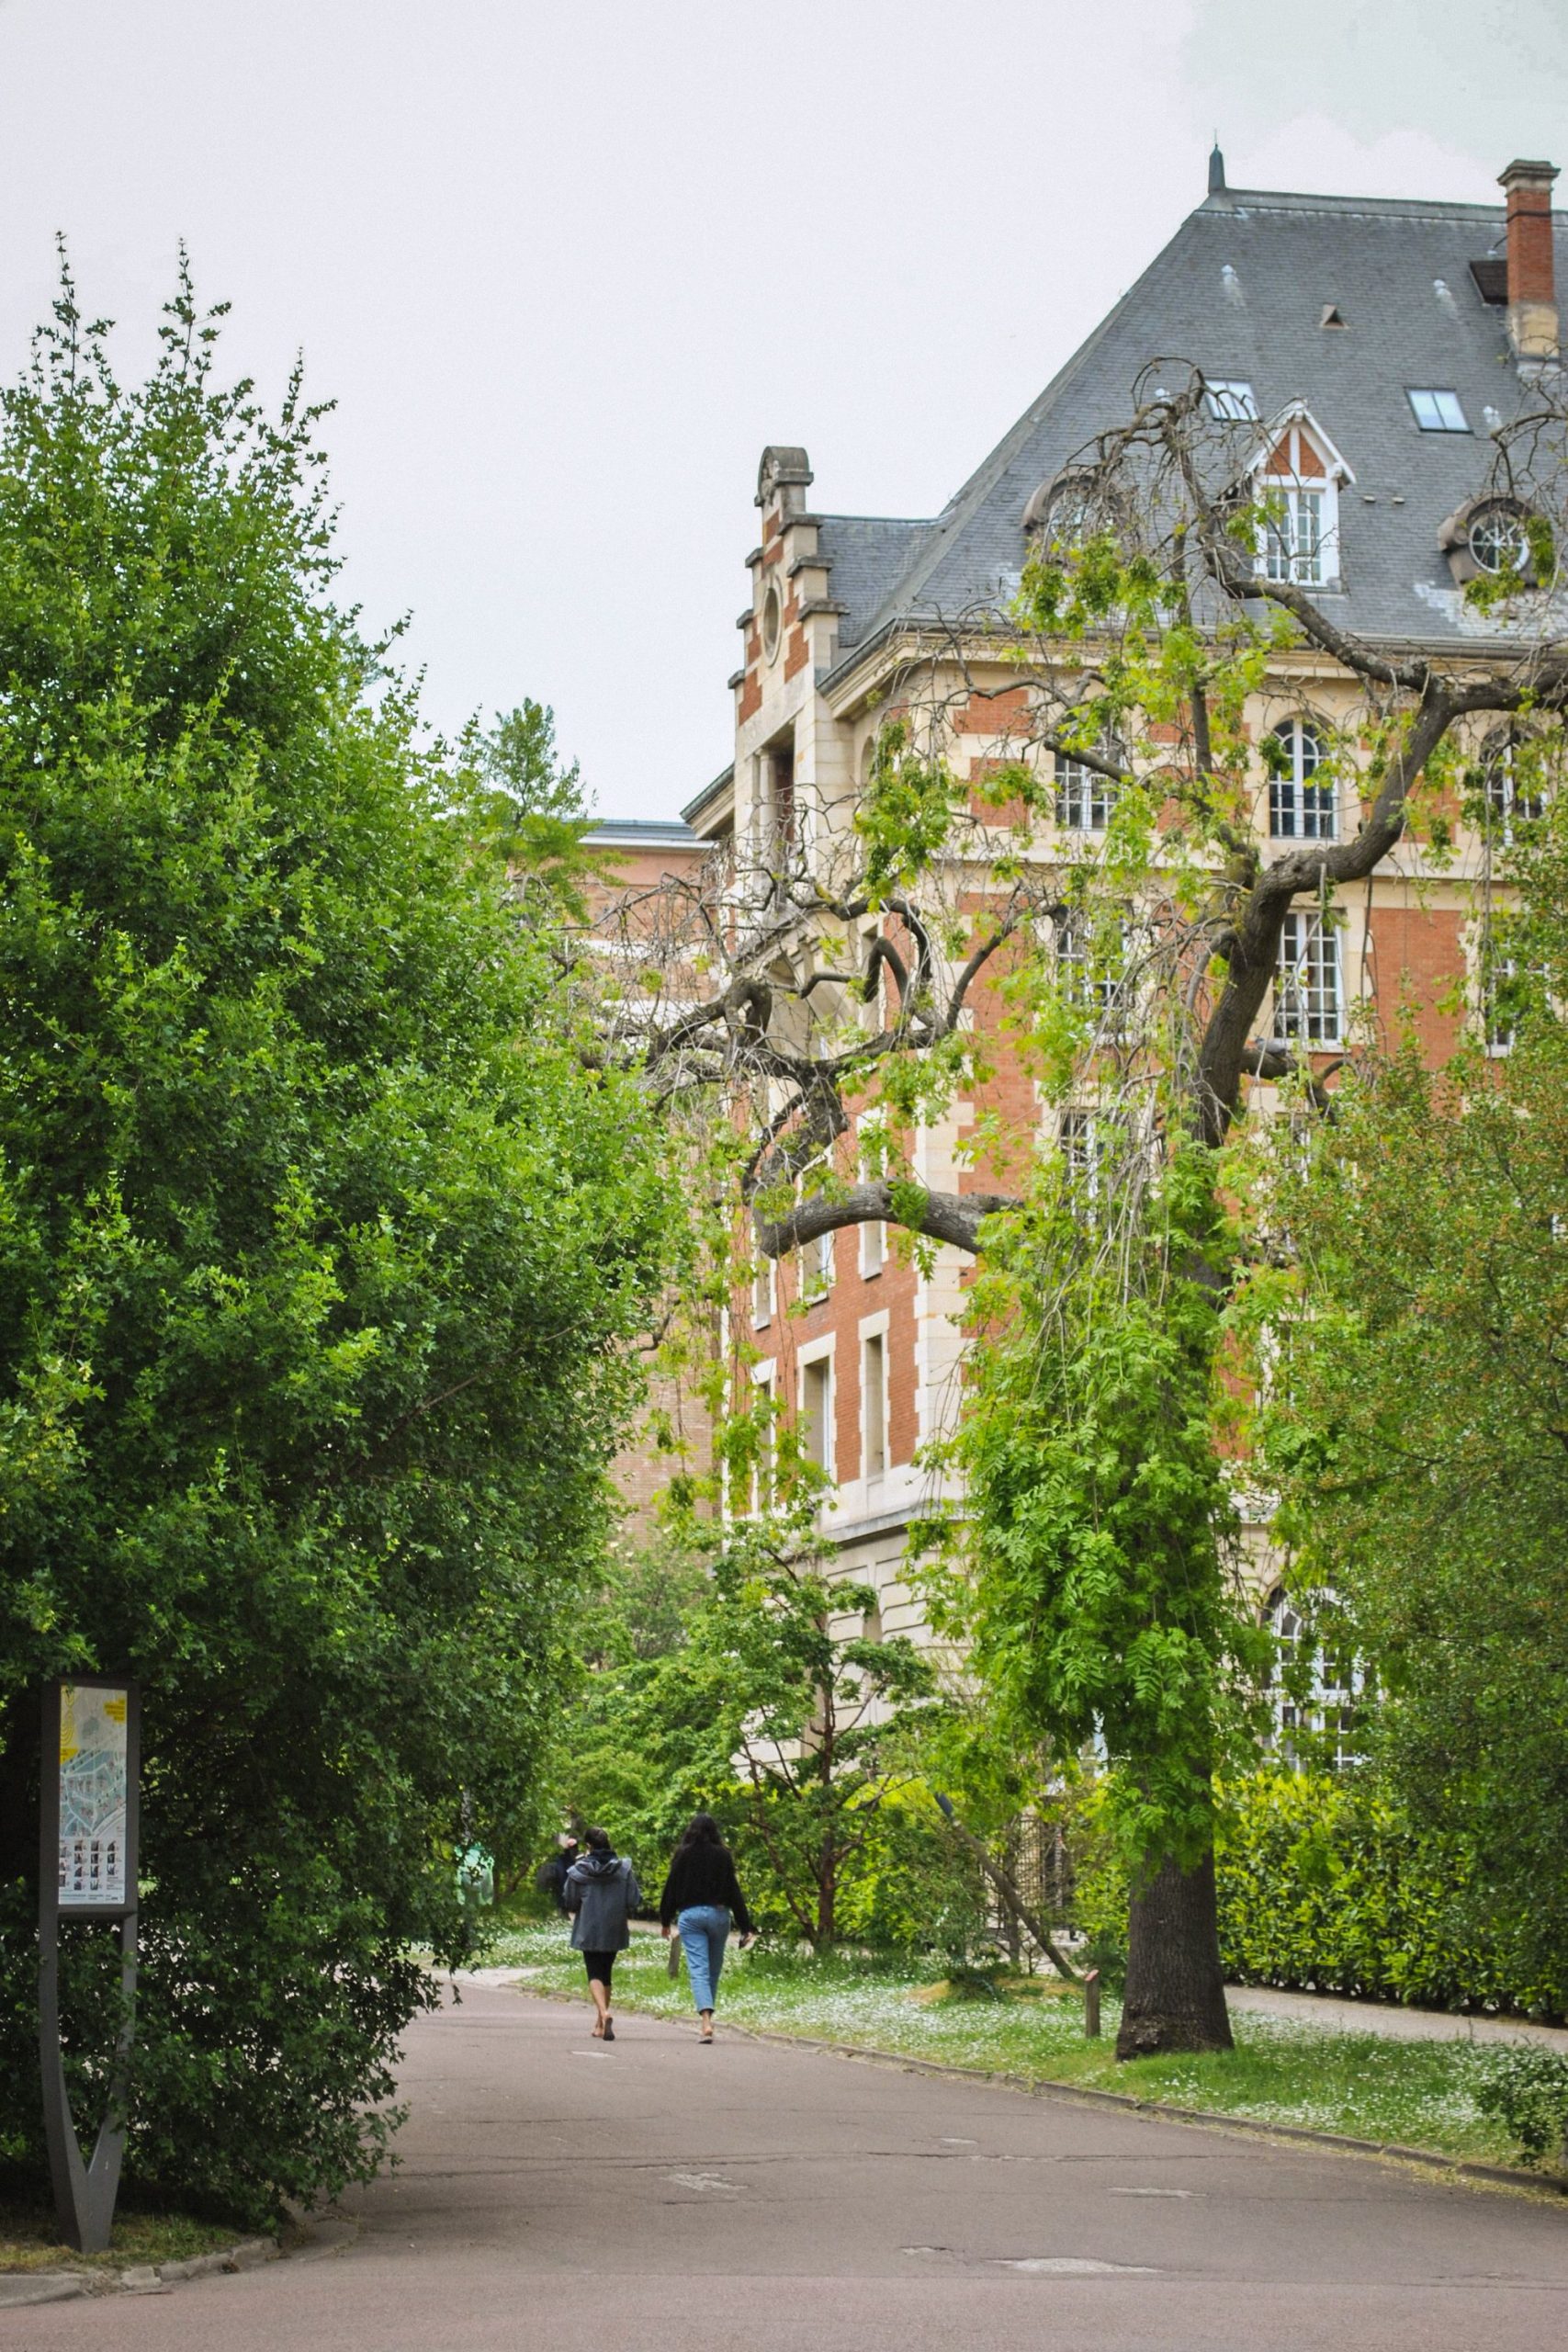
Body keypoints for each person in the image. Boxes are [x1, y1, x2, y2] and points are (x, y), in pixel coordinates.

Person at [658, 1813, 755, 2043]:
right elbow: (733, 1890)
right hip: (718, 1915)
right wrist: (745, 1925)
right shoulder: (723, 1855)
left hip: (690, 1916)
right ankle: (709, 2018)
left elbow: (671, 1888)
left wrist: (665, 1920)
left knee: (698, 1969)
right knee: (713, 1969)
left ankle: (705, 2023)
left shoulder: (682, 1854)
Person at [562, 1826, 639, 2041]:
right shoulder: (623, 1869)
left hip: (589, 1926)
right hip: (614, 1926)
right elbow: (633, 1899)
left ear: (589, 1846)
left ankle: (604, 2014)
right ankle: (599, 2023)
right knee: (606, 1973)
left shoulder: (580, 1870)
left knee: (594, 1972)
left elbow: (569, 1900)